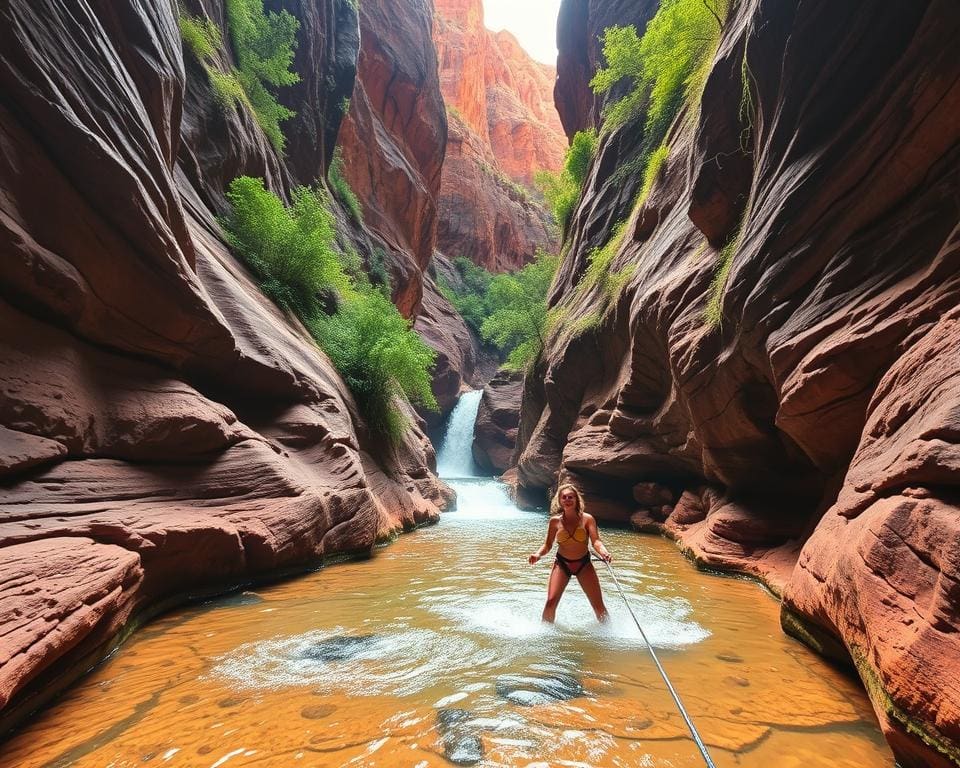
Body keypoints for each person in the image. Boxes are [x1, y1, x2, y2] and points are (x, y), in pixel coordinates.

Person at [528, 483, 611, 622]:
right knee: (550, 602)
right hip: (562, 564)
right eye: (564, 497)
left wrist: (604, 552)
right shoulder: (555, 522)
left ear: (576, 499)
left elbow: (596, 541)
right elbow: (548, 545)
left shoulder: (587, 519)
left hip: (583, 564)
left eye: (570, 497)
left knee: (598, 605)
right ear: (559, 501)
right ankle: (545, 638)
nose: (567, 499)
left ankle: (609, 634)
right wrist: (538, 555)